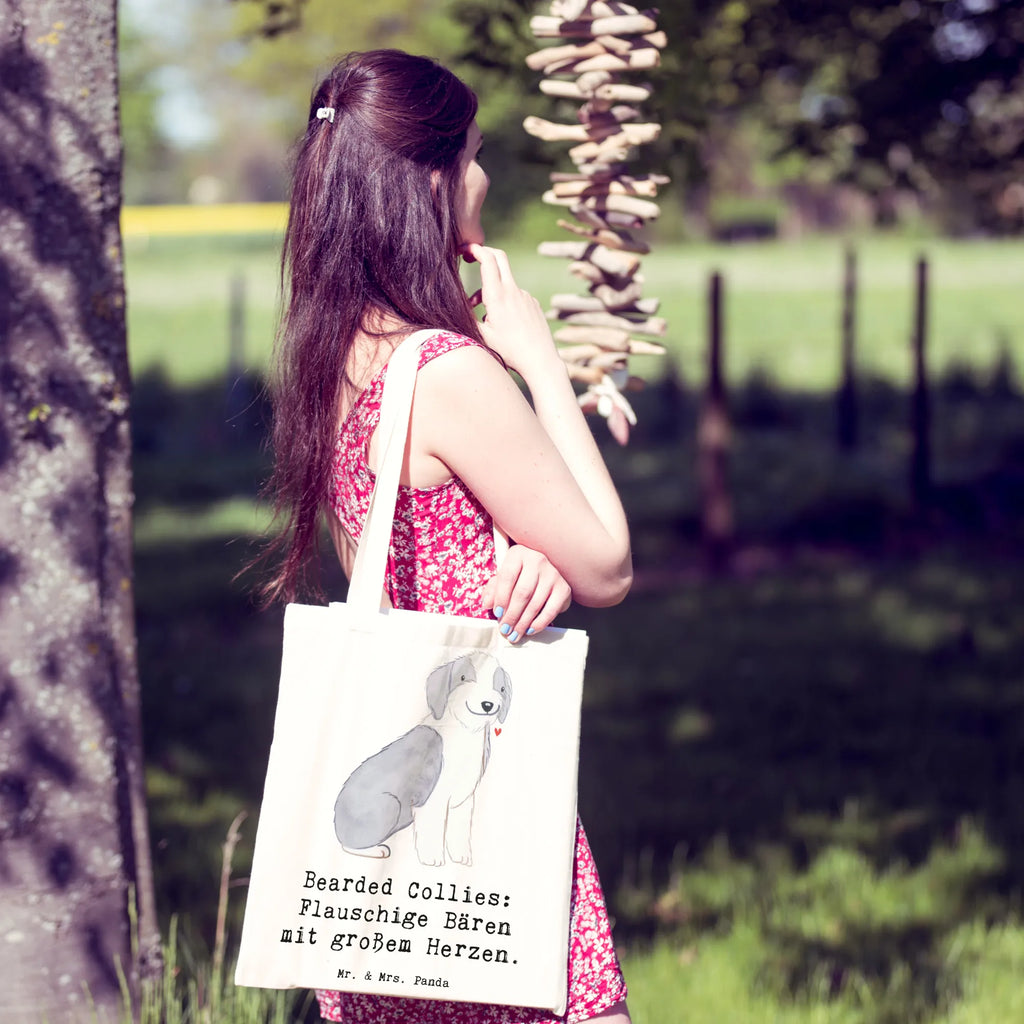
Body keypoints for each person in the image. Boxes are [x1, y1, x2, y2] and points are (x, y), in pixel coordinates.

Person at [261, 49, 634, 1024]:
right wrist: (541, 364)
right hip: (477, 834)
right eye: (471, 154)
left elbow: (395, 556)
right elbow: (608, 562)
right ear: (429, 179)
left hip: (385, 871)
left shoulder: (336, 352)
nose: (484, 177)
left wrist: (516, 556)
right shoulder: (449, 372)